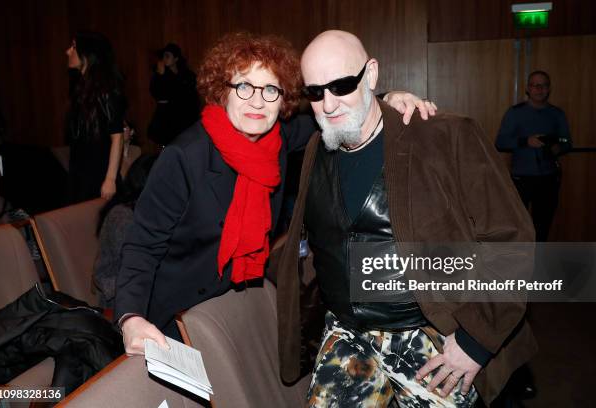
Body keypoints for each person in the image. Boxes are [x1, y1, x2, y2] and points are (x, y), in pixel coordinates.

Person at [114, 31, 436, 355]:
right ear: (221, 91)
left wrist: (388, 97)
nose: (257, 101)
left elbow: (337, 110)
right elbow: (142, 244)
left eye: (270, 89)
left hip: (236, 309)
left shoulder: (277, 139)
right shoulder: (184, 157)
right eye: (243, 87)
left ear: (283, 99)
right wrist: (131, 317)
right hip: (174, 316)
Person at [276, 30, 537, 407]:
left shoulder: (445, 135)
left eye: (343, 85)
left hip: (432, 338)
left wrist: (477, 341)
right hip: (347, 332)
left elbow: (512, 238)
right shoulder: (317, 147)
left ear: (371, 75)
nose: (329, 104)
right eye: (316, 92)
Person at [496, 70, 572, 241]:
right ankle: (518, 264)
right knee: (518, 227)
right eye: (535, 85)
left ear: (549, 89)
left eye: (543, 85)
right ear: (528, 89)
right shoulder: (515, 113)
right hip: (521, 179)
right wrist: (525, 142)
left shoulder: (557, 114)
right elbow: (500, 142)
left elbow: (568, 142)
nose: (539, 89)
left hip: (548, 179)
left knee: (542, 228)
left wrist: (559, 148)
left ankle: (539, 266)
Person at [65, 31, 126, 204]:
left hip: (98, 174)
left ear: (87, 54)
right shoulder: (81, 88)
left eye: (74, 47)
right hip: (81, 171)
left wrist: (110, 180)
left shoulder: (106, 89)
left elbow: (117, 136)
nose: (68, 51)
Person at [93, 154, 157, 308]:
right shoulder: (123, 217)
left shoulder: (153, 209)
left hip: (143, 288)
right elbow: (134, 269)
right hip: (121, 298)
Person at [147, 43, 201, 146]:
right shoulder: (160, 74)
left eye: (168, 56)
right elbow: (156, 93)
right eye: (163, 56)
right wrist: (160, 75)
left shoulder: (187, 75)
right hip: (168, 118)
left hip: (185, 118)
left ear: (176, 59)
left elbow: (189, 95)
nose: (164, 59)